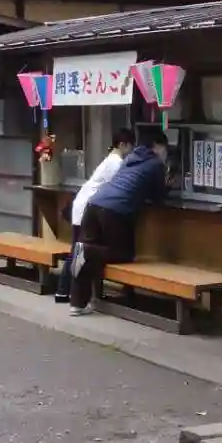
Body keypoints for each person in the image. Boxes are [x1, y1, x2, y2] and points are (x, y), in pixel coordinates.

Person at [68, 126, 170, 315]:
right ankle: (87, 250)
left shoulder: (130, 158)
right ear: (156, 146)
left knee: (83, 255)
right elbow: (159, 197)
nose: (165, 152)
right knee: (123, 254)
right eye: (164, 147)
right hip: (115, 210)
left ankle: (77, 304)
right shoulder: (155, 164)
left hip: (94, 205)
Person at [55, 128, 134, 303]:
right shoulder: (116, 163)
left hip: (83, 204)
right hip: (87, 207)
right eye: (130, 146)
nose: (131, 151)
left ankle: (65, 290)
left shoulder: (110, 159)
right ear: (122, 144)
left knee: (78, 250)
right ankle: (64, 290)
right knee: (79, 251)